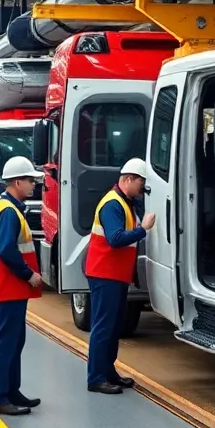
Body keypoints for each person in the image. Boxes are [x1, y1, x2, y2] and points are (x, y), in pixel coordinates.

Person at [85, 158, 155, 394]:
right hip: (104, 274)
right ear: (129, 179)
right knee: (104, 327)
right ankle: (96, 377)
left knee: (114, 327)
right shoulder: (112, 204)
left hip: (115, 275)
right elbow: (115, 239)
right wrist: (142, 230)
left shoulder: (125, 203)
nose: (143, 188)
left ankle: (108, 372)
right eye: (141, 183)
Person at [0, 156, 44, 416]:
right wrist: (28, 274)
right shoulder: (8, 212)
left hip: (10, 288)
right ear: (17, 182)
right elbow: (7, 250)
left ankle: (10, 391)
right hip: (8, 287)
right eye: (30, 180)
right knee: (5, 342)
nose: (34, 185)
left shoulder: (10, 208)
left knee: (15, 340)